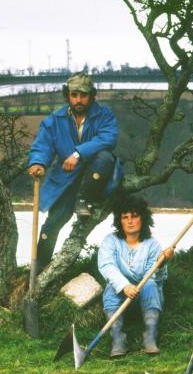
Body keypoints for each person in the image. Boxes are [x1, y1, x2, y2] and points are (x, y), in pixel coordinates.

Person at [27, 72, 122, 271]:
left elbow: (108, 139)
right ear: (67, 95)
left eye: (84, 95)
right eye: (74, 95)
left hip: (97, 175)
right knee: (52, 224)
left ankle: (84, 200)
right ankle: (39, 267)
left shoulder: (104, 115)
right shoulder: (55, 120)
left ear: (92, 96)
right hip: (66, 179)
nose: (79, 100)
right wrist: (38, 162)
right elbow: (42, 145)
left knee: (105, 156)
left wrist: (78, 154)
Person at [97, 195, 173, 355]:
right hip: (121, 295)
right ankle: (118, 339)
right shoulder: (110, 241)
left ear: (143, 218)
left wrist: (161, 263)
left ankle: (150, 336)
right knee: (111, 288)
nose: (130, 221)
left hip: (146, 297)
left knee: (151, 284)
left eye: (134, 216)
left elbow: (157, 278)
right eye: (125, 217)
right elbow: (107, 266)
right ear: (120, 221)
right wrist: (124, 286)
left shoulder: (152, 244)